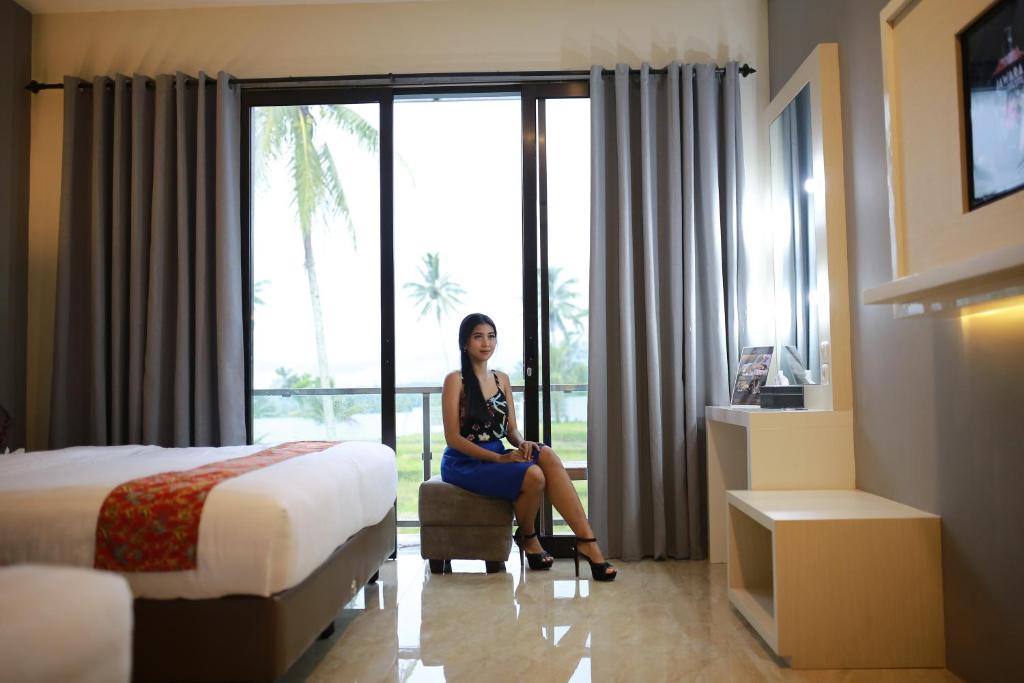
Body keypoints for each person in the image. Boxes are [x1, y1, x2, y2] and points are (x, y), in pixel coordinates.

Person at [440, 313, 617, 582]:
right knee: (534, 476)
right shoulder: (456, 380)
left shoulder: (501, 379)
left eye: (491, 336)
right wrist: (499, 461)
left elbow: (511, 430)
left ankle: (586, 540)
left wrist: (523, 444)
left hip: (498, 450)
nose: (486, 343)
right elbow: (453, 438)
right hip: (463, 461)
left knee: (543, 453)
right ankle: (529, 537)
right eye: (478, 336)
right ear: (465, 343)